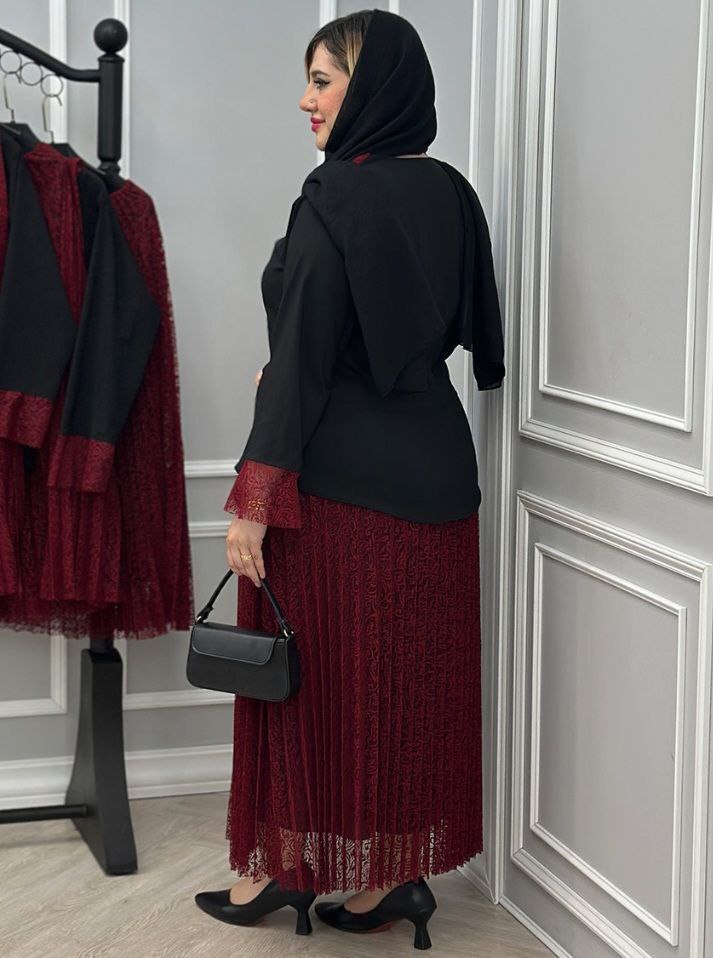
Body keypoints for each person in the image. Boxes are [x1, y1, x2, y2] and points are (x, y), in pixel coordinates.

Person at [194, 8, 504, 951]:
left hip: (335, 491)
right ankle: (390, 883)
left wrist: (254, 500)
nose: (305, 99)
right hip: (440, 484)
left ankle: (278, 876)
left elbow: (300, 364)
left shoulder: (332, 196)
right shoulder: (451, 193)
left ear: (368, 87)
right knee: (404, 692)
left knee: (308, 689)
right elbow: (464, 338)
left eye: (323, 80)